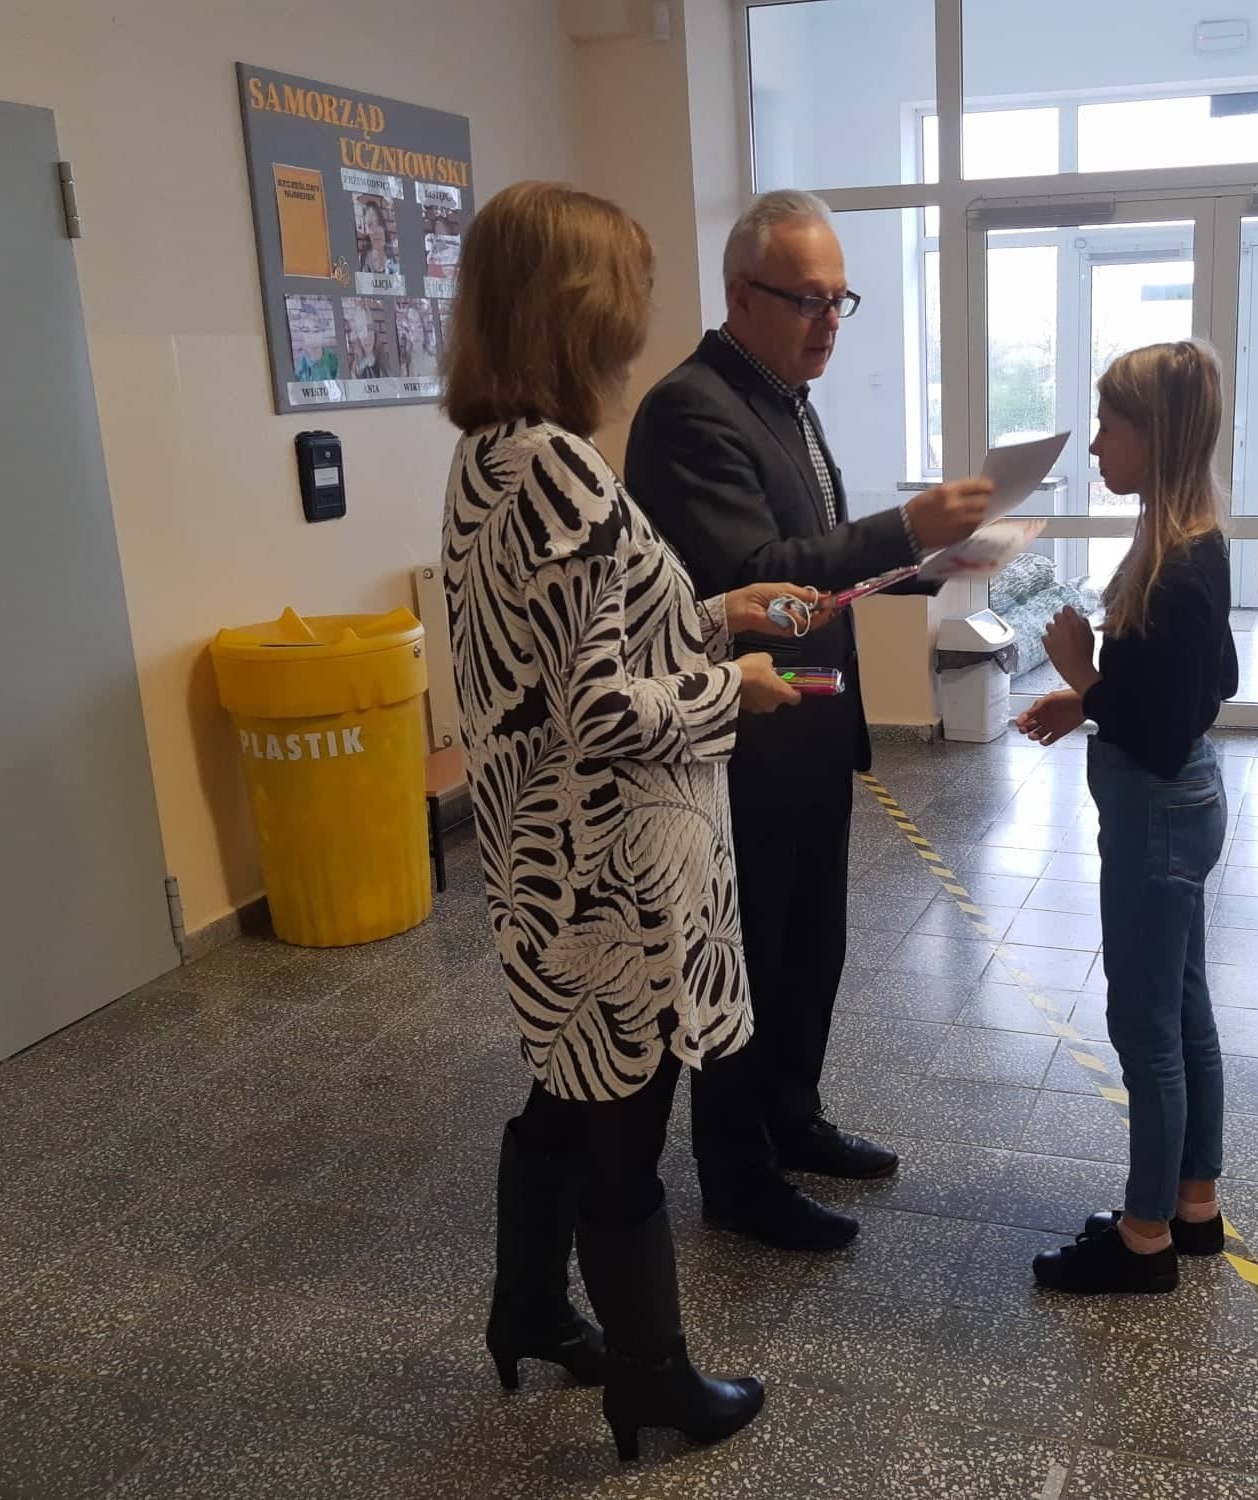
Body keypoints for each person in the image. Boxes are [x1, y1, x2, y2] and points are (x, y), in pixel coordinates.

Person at [440, 180, 830, 1459]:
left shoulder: (493, 456)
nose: (637, 317)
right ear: (575, 305)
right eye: (626, 290)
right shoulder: (556, 472)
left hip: (547, 856)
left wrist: (715, 614)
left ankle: (526, 1307)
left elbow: (582, 650)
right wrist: (734, 688)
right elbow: (602, 710)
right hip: (610, 873)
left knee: (564, 1091)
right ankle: (651, 1379)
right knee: (621, 1129)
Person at [627, 190, 993, 1253]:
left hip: (811, 732)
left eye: (841, 300)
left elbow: (819, 577)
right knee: (745, 962)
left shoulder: (784, 396)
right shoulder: (691, 409)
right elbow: (755, 578)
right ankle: (738, 1176)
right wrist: (903, 526)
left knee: (808, 951)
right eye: (807, 300)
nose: (829, 321)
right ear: (741, 294)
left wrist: (925, 562)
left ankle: (793, 1118)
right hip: (743, 741)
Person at [1018, 340, 1238, 1295]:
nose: (1098, 444)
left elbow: (1164, 723)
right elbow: (1213, 679)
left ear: (1157, 435)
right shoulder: (1185, 542)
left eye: (1110, 426)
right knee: (1182, 1009)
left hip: (1157, 813)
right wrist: (1093, 700)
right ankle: (1193, 1206)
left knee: (1144, 1028)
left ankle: (1144, 1239)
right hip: (1177, 803)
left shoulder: (1178, 566)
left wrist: (1085, 674)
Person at [357, 196, 398, 276]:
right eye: (370, 225)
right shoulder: (362, 260)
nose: (375, 230)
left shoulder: (394, 259)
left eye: (378, 223)